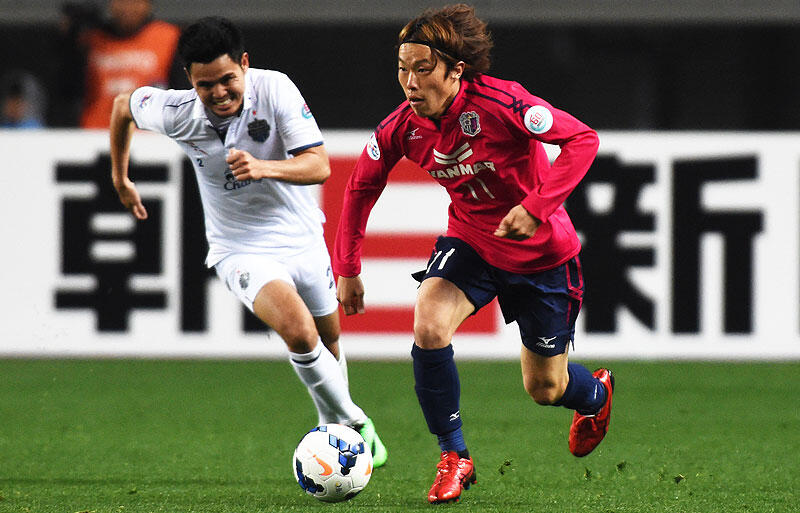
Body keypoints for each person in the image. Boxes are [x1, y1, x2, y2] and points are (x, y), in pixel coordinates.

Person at [333, 4, 612, 503]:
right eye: (403, 69)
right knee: (428, 324)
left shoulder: (503, 103)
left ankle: (595, 394)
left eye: (423, 69)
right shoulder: (401, 127)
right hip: (472, 243)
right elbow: (359, 188)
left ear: (455, 70)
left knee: (545, 389)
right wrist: (348, 268)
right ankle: (454, 456)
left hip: (542, 257)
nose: (410, 82)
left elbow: (582, 139)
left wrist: (536, 207)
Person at [108, 16, 387, 466]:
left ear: (244, 64)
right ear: (189, 79)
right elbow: (123, 106)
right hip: (239, 249)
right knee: (299, 332)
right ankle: (356, 422)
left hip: (301, 237)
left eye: (227, 80)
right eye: (205, 85)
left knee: (329, 339)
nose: (219, 93)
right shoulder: (176, 111)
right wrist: (120, 176)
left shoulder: (275, 89)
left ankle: (332, 428)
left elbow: (319, 165)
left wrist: (264, 168)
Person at [56, 0, 182, 128]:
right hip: (96, 130)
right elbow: (67, 87)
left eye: (136, 2)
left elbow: (182, 91)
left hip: (150, 132)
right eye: (121, 2)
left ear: (148, 5)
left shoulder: (168, 37)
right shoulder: (91, 38)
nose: (128, 8)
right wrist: (71, 36)